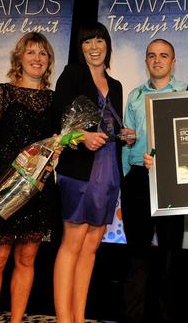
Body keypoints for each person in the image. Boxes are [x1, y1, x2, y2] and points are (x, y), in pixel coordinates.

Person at [0, 32, 59, 323]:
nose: (37, 58)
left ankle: (17, 320)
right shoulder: (2, 92)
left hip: (37, 188)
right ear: (19, 58)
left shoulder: (54, 100)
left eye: (43, 53)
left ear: (49, 62)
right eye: (31, 52)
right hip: (4, 186)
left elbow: (57, 144)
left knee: (27, 259)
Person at [52, 21, 135, 323]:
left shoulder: (117, 86)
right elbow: (58, 122)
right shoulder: (72, 75)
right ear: (81, 47)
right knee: (72, 242)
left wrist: (125, 134)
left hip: (109, 172)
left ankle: (78, 316)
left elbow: (110, 126)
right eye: (87, 41)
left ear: (107, 45)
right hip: (79, 171)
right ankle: (63, 319)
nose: (94, 47)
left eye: (99, 40)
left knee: (92, 245)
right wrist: (81, 137)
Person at [120, 39, 187, 323]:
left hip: (172, 179)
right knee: (137, 254)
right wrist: (128, 139)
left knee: (170, 255)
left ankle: (167, 317)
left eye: (164, 56)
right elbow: (126, 142)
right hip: (137, 180)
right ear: (146, 61)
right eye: (151, 56)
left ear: (173, 62)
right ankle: (134, 317)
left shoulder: (185, 93)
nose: (157, 60)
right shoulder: (134, 96)